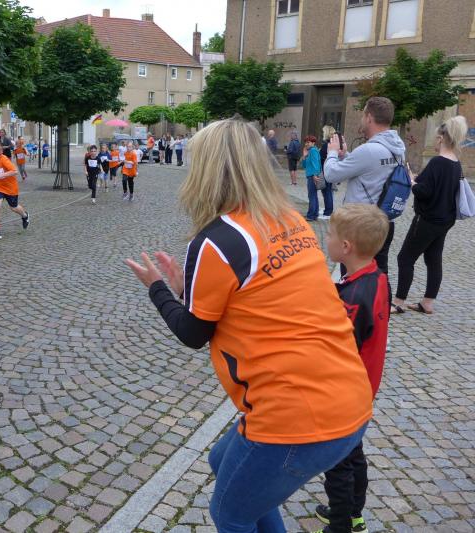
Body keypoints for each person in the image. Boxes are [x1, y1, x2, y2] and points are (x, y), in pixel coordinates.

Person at [124, 118, 371, 533]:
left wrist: (157, 288)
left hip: (296, 414)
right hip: (349, 396)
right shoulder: (290, 219)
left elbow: (193, 333)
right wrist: (187, 289)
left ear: (206, 171)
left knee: (230, 514)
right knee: (221, 460)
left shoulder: (217, 239)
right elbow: (255, 298)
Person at [312, 203, 391, 533]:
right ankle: (354, 513)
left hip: (343, 395)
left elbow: (335, 350)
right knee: (353, 454)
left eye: (329, 234)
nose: (326, 239)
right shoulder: (376, 277)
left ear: (345, 247)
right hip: (362, 391)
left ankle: (341, 524)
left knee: (338, 463)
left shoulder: (353, 298)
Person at [392, 116, 468, 315]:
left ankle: (398, 302)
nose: (435, 141)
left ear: (441, 138)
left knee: (405, 258)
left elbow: (424, 192)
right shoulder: (456, 163)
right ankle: (428, 302)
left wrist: (412, 182)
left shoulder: (437, 162)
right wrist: (420, 181)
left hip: (427, 219)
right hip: (445, 220)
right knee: (433, 259)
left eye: (436, 138)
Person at [324, 96, 405, 276]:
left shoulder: (369, 150)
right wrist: (347, 156)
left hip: (360, 224)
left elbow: (330, 174)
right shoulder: (397, 147)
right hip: (384, 221)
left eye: (362, 115)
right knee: (379, 273)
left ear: (369, 117)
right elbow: (370, 169)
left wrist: (332, 153)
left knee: (354, 276)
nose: (362, 119)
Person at [0, 143, 29, 240]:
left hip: (10, 188)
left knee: (14, 207)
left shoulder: (4, 159)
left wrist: (1, 175)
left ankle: (25, 215)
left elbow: (15, 171)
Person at [302, 135, 332, 221]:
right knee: (313, 195)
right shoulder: (310, 151)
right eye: (305, 142)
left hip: (312, 176)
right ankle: (314, 214)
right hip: (310, 175)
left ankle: (311, 215)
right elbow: (304, 166)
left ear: (313, 143)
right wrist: (304, 156)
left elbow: (316, 164)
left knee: (312, 196)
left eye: (308, 142)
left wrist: (315, 175)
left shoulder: (313, 151)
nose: (306, 144)